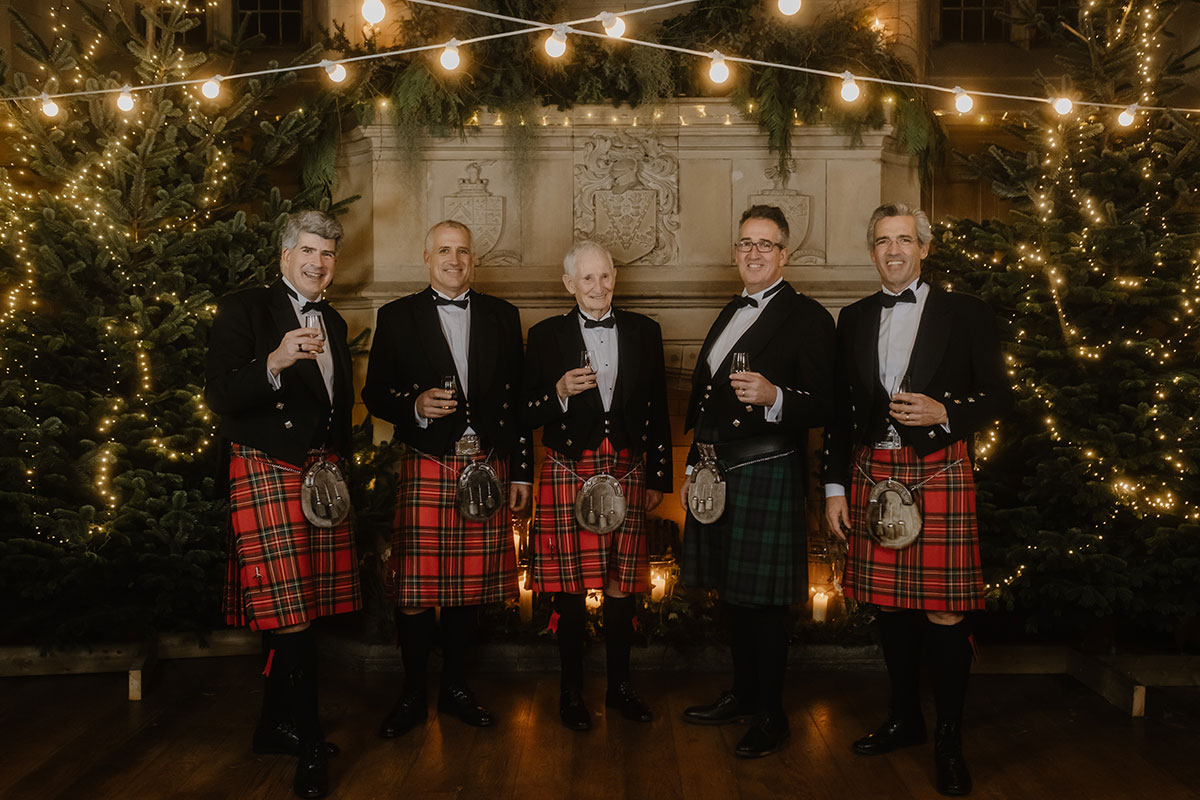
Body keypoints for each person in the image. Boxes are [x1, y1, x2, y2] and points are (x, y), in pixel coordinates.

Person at [823, 203, 1010, 797]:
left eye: (905, 240)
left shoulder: (967, 313)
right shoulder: (850, 318)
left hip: (938, 469)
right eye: (883, 241)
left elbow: (1002, 395)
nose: (894, 250)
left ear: (924, 248)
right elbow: (835, 412)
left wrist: (947, 412)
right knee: (891, 607)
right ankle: (905, 718)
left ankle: (949, 741)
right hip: (872, 472)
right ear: (871, 250)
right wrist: (832, 487)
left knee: (946, 612)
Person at [205, 209, 361, 800]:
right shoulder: (245, 309)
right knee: (288, 609)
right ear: (285, 256)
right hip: (266, 467)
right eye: (308, 252)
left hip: (320, 474)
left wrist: (339, 469)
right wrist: (272, 362)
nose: (318, 263)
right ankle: (310, 742)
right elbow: (218, 393)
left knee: (304, 604)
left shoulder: (337, 323)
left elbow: (337, 405)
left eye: (326, 255)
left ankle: (275, 726)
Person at [362, 219, 532, 739]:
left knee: (467, 589)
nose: (454, 259)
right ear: (426, 255)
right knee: (413, 589)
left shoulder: (504, 316)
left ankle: (455, 688)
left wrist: (522, 469)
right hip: (430, 462)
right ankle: (413, 693)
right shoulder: (397, 316)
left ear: (473, 258)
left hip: (487, 464)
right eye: (444, 250)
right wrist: (411, 405)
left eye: (462, 251)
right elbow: (374, 393)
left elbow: (521, 400)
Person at [678, 205, 836, 758]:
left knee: (765, 604)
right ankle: (744, 695)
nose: (753, 252)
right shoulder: (729, 310)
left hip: (767, 467)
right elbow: (706, 403)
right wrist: (695, 467)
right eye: (745, 243)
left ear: (784, 254)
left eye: (765, 244)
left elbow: (827, 404)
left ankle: (772, 715)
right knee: (734, 595)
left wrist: (776, 398)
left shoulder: (809, 317)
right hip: (719, 470)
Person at [522, 241, 673, 731]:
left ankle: (620, 686)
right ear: (569, 284)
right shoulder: (545, 336)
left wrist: (659, 476)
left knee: (622, 586)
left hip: (627, 467)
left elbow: (658, 408)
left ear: (615, 278)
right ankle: (570, 691)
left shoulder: (644, 331)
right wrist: (559, 393)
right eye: (586, 279)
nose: (598, 287)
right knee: (567, 590)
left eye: (605, 277)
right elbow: (524, 413)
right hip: (569, 467)